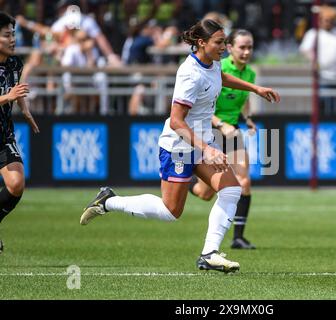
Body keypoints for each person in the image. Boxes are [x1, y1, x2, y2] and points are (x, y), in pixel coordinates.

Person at [79, 19, 280, 272]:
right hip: (179, 146)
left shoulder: (212, 62)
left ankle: (209, 253)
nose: (223, 47)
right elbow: (176, 121)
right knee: (170, 211)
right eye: (219, 42)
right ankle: (108, 201)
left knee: (231, 189)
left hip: (201, 141)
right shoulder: (189, 73)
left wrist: (255, 88)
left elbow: (220, 76)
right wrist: (207, 149)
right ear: (201, 43)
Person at [189, 29, 260, 249]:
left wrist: (246, 118)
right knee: (205, 193)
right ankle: (184, 178)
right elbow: (203, 106)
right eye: (242, 47)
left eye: (250, 47)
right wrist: (221, 124)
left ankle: (238, 237)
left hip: (232, 132)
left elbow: (244, 100)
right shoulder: (219, 68)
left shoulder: (249, 74)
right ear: (230, 47)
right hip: (211, 131)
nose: (246, 51)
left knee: (244, 181)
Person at [0, 12, 40, 254]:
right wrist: (9, 97)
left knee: (16, 184)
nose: (12, 39)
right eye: (6, 35)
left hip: (3, 134)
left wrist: (25, 110)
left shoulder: (15, 63)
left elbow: (16, 90)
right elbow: (10, 94)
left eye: (13, 34)